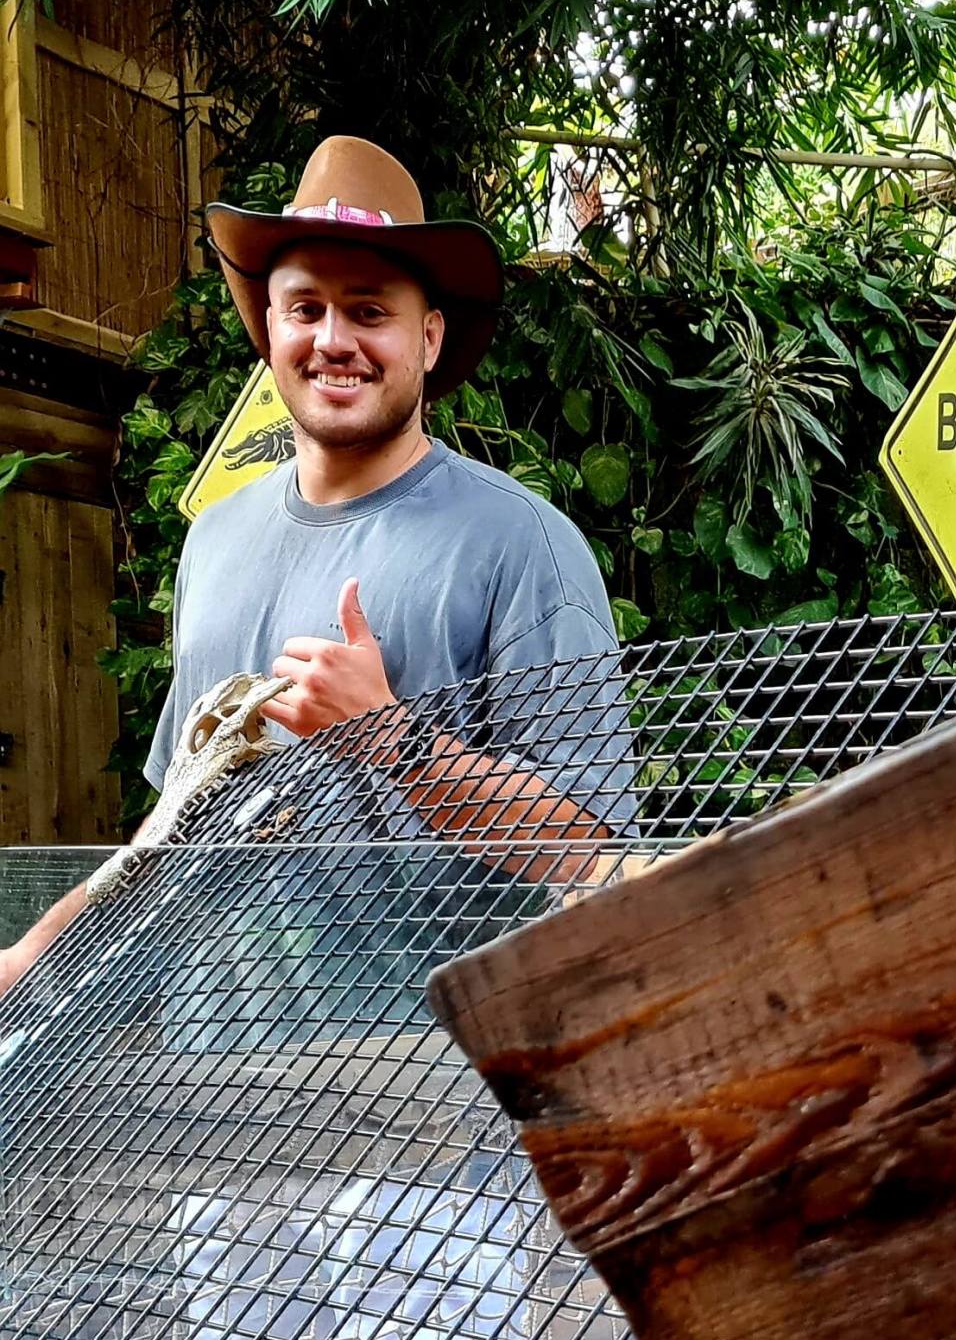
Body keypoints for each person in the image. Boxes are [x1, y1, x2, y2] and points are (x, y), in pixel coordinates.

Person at [0, 135, 626, 1000]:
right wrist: (29, 957)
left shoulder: (523, 545)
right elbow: (174, 825)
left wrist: (392, 739)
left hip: (434, 1087)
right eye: (306, 310)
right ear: (268, 330)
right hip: (210, 1082)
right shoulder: (214, 540)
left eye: (370, 312)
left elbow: (589, 853)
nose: (335, 340)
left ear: (430, 339)